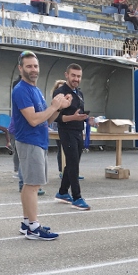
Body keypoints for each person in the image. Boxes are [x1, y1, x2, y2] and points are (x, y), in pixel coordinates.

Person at [11, 50, 71, 240]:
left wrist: (59, 107)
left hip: (37, 140)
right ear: (21, 68)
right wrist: (53, 106)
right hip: (29, 141)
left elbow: (46, 119)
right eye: (28, 66)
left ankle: (27, 222)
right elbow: (33, 120)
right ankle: (33, 227)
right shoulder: (21, 90)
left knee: (30, 184)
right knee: (32, 185)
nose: (33, 69)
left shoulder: (35, 90)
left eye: (35, 66)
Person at [53, 63, 91, 211]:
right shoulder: (60, 93)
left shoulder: (79, 93)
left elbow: (78, 114)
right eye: (73, 75)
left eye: (79, 76)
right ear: (66, 75)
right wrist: (73, 118)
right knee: (73, 163)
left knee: (72, 163)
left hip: (78, 131)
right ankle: (77, 197)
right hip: (66, 131)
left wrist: (87, 118)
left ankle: (62, 192)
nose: (76, 78)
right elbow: (57, 118)